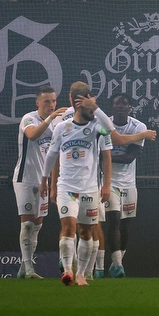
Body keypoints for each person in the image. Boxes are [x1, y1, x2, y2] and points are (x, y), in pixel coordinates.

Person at [42, 82, 112, 286]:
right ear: (80, 106)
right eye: (90, 107)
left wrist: (96, 108)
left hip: (90, 188)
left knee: (86, 232)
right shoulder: (62, 127)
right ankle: (67, 271)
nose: (93, 111)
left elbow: (110, 129)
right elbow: (51, 155)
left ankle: (81, 273)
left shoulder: (96, 126)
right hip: (66, 187)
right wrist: (46, 180)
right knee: (68, 226)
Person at [13, 85, 69, 278]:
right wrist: (51, 118)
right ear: (38, 102)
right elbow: (33, 135)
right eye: (47, 101)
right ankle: (29, 269)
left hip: (43, 180)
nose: (51, 105)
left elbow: (56, 156)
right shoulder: (29, 118)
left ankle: (23, 268)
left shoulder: (58, 124)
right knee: (27, 224)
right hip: (25, 178)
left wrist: (52, 182)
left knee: (37, 225)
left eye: (53, 101)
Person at [103, 93, 147, 279]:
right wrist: (104, 161)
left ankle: (116, 264)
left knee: (125, 227)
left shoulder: (138, 127)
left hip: (129, 183)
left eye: (125, 104)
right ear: (112, 108)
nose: (121, 107)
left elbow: (129, 158)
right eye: (117, 104)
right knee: (113, 221)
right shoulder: (104, 125)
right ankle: (118, 265)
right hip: (109, 182)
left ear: (130, 108)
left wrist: (105, 157)